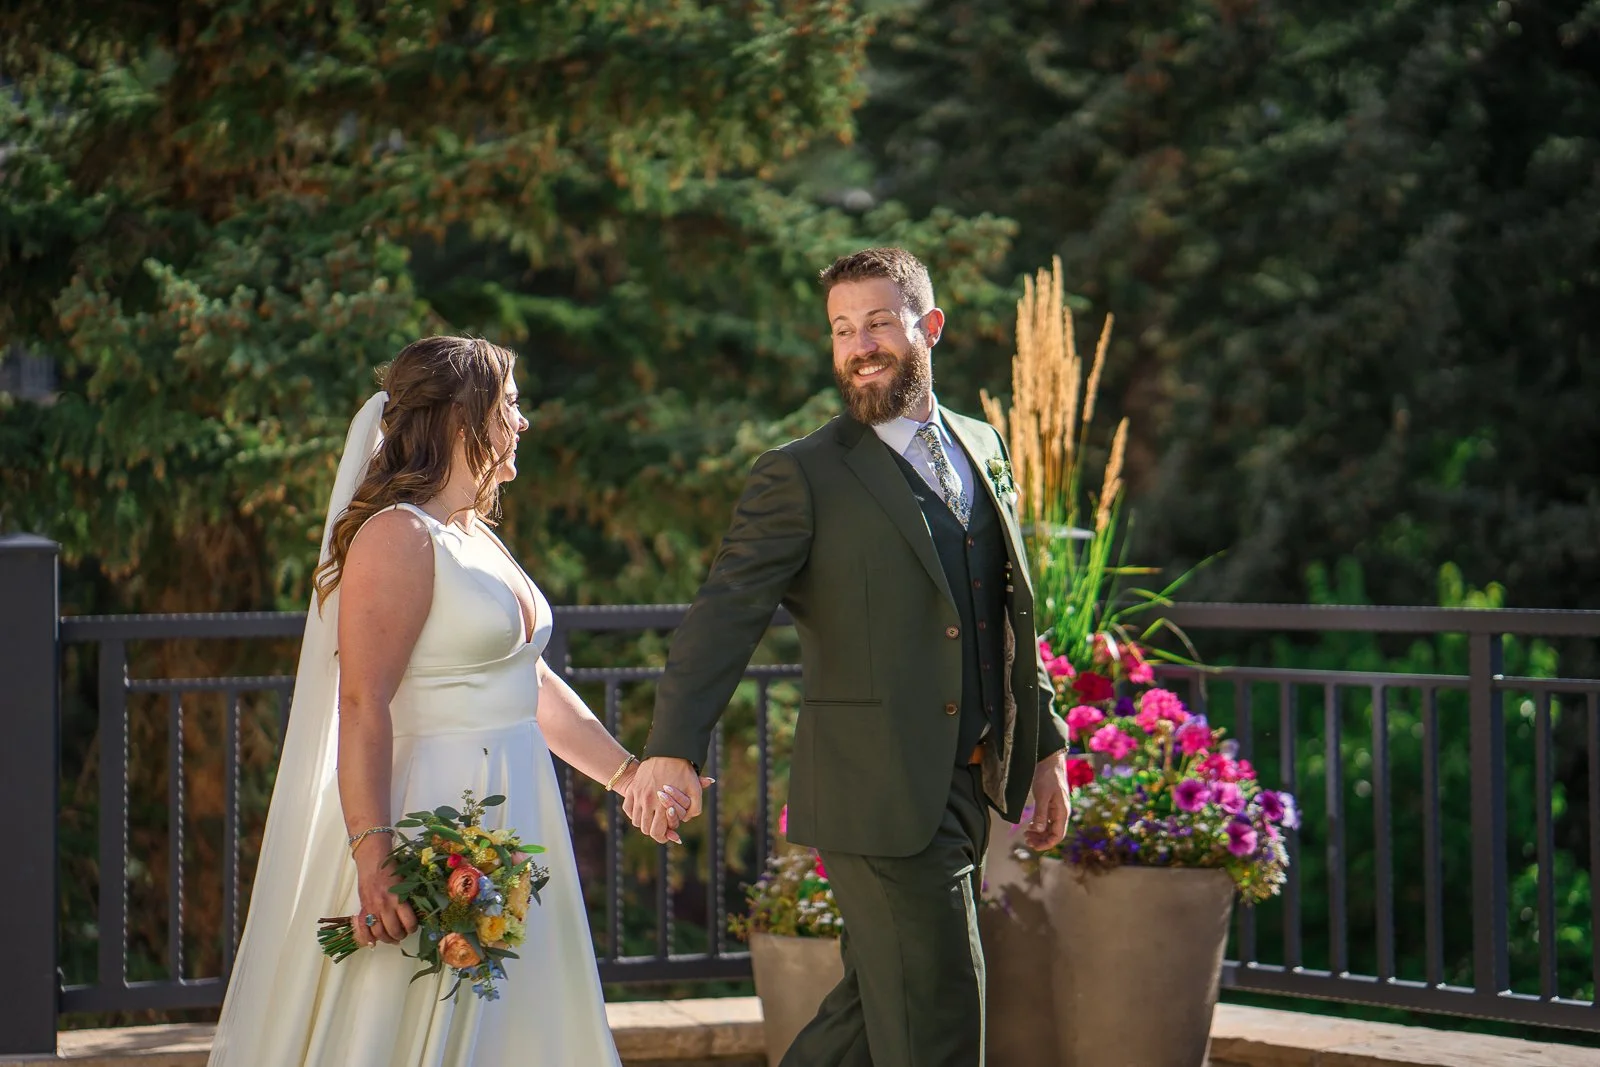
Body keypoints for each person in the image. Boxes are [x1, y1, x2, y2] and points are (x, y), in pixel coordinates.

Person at [628, 248, 1072, 1066]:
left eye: (878, 323)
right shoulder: (800, 475)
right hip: (875, 790)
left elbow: (1012, 612)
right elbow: (725, 616)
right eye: (841, 329)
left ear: (927, 328)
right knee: (941, 1008)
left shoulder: (981, 443)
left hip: (966, 778)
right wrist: (671, 747)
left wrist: (1043, 746)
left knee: (875, 1011)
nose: (860, 345)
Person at [210, 337, 674, 1066]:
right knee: (415, 1019)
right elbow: (363, 703)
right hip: (437, 817)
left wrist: (627, 774)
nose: (523, 423)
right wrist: (375, 856)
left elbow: (530, 683)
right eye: (511, 407)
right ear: (464, 420)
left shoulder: (473, 534)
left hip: (516, 813)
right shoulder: (399, 535)